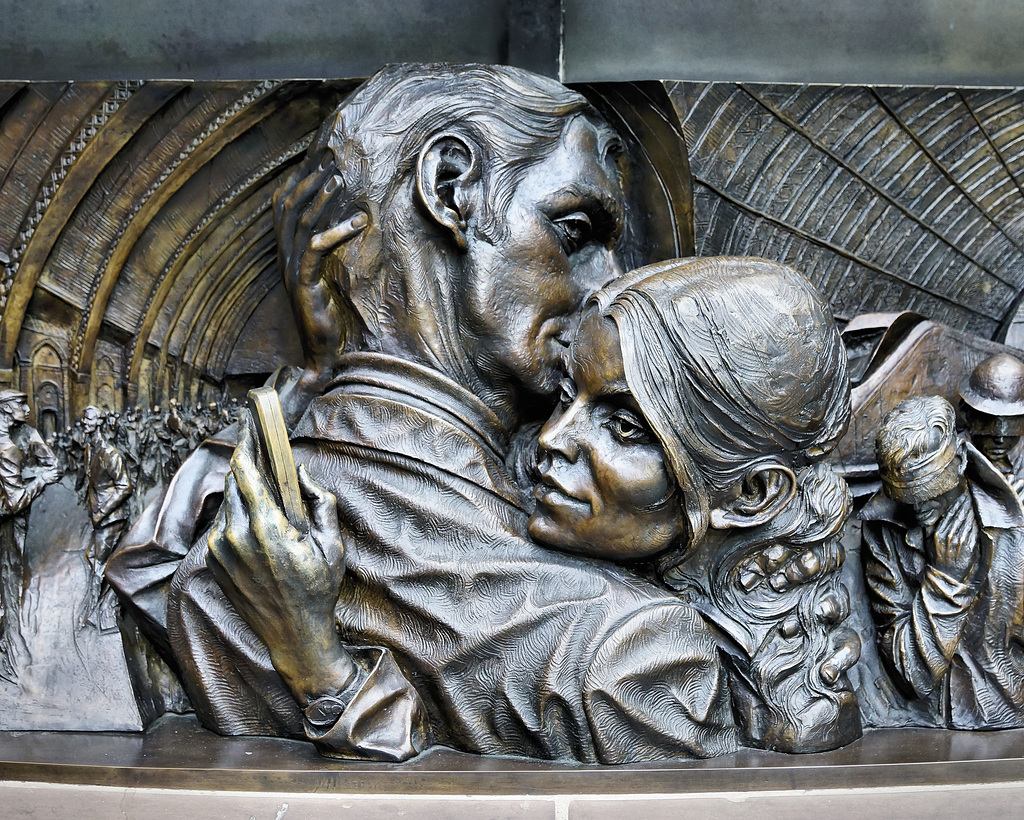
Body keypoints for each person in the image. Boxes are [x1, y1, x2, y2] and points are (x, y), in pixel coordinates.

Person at [110, 64, 741, 764]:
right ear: (451, 189)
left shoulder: (201, 564)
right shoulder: (632, 654)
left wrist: (318, 377)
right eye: (576, 231)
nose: (608, 283)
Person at [524, 257, 861, 753]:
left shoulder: (660, 670)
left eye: (623, 427)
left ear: (752, 495)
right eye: (566, 396)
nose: (552, 437)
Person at [861, 395, 1024, 728]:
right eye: (907, 497)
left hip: (1006, 706)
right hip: (935, 717)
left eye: (934, 491)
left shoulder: (1013, 519)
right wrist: (945, 581)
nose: (921, 509)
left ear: (960, 459)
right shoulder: (884, 527)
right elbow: (911, 676)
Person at [0, 389, 60, 678]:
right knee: (9, 588)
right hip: (8, 526)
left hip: (14, 522)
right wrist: (41, 480)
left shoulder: (20, 435)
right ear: (5, 408)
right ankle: (11, 655)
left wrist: (32, 436)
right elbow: (13, 503)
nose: (26, 407)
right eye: (20, 403)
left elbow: (53, 463)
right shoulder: (6, 448)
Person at [79, 405, 133, 632]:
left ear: (99, 422)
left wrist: (102, 511)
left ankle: (96, 614)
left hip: (111, 518)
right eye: (84, 418)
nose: (84, 422)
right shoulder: (90, 449)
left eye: (89, 419)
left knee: (98, 563)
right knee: (96, 559)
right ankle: (99, 611)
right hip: (98, 516)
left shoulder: (110, 453)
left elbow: (125, 486)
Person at [959, 352, 1024, 490]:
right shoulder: (953, 458)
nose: (1000, 440)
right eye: (989, 429)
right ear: (967, 413)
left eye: (1011, 429)